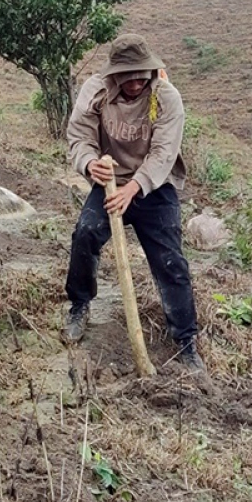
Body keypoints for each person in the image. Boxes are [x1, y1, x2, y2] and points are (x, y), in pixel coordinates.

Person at [64, 34, 204, 372]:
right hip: (110, 181)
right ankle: (79, 306)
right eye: (128, 75)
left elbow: (163, 153)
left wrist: (135, 188)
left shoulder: (167, 97)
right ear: (114, 75)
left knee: (170, 260)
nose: (136, 81)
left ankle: (185, 342)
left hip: (155, 185)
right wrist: (89, 164)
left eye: (142, 74)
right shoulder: (95, 91)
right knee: (85, 233)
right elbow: (79, 138)